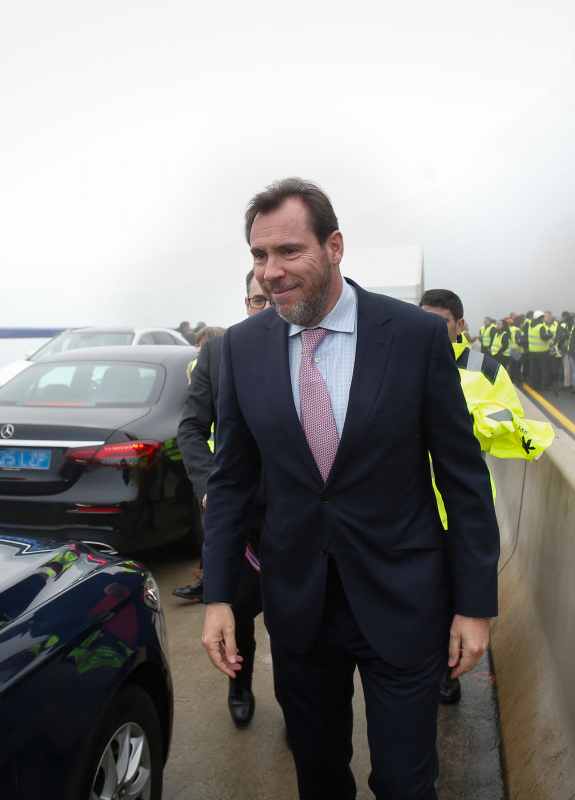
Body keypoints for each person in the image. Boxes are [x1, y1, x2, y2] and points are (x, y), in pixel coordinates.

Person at [201, 178, 499, 800]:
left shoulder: (414, 336)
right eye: (259, 256)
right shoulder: (242, 348)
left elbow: (463, 479)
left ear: (334, 246)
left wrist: (475, 605)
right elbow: (230, 483)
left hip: (404, 600)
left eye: (289, 252)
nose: (271, 273)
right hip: (300, 607)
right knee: (318, 775)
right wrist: (220, 596)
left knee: (403, 781)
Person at [419, 289, 554, 704]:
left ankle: (448, 671)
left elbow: (514, 424)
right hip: (410, 502)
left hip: (460, 503)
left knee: (456, 594)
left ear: (460, 325)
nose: (430, 330)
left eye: (439, 321)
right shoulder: (404, 358)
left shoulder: (485, 368)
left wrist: (462, 418)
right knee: (422, 595)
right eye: (423, 320)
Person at [176, 270, 270, 728]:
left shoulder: (311, 350)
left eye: (272, 300)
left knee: (299, 622)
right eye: (256, 301)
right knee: (235, 607)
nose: (265, 308)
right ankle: (240, 683)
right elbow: (191, 428)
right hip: (236, 512)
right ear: (245, 303)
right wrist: (210, 483)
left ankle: (302, 707)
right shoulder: (218, 352)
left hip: (298, 515)